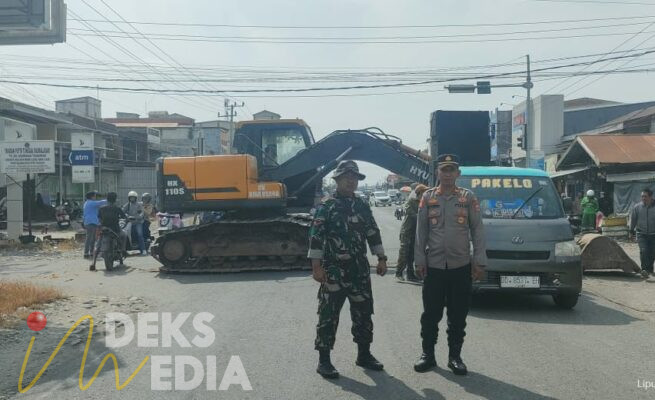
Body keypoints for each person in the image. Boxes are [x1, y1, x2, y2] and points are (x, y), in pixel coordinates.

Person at [308, 160, 388, 379]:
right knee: (328, 315)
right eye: (346, 177)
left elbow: (372, 232)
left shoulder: (361, 205)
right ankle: (324, 361)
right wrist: (316, 267)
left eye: (354, 178)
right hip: (333, 270)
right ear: (338, 180)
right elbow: (316, 237)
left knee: (364, 313)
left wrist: (381, 258)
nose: (350, 181)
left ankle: (364, 354)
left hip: (359, 270)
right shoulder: (327, 206)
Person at [413, 154, 486, 376]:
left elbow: (477, 230)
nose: (447, 174)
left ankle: (455, 357)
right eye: (443, 170)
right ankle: (428, 355)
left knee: (458, 315)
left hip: (460, 266)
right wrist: (419, 260)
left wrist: (479, 261)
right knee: (430, 314)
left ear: (458, 173)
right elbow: (421, 231)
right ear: (437, 172)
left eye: (451, 170)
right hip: (434, 266)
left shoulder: (468, 197)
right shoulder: (428, 197)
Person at [396, 183, 428, 281]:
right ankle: (399, 273)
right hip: (407, 231)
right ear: (419, 193)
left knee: (412, 254)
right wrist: (422, 217)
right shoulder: (411, 201)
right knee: (404, 253)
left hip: (417, 232)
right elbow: (409, 212)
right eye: (424, 192)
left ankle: (410, 274)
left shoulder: (425, 202)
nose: (426, 193)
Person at [91, 192, 127, 271]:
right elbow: (124, 217)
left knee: (98, 245)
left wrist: (101, 225)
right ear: (115, 199)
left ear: (107, 199)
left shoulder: (101, 208)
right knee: (124, 235)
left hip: (104, 229)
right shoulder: (117, 208)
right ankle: (123, 250)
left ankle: (93, 263)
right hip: (115, 229)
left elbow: (99, 219)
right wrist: (126, 219)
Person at [630, 188, 655, 279]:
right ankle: (644, 270)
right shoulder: (637, 207)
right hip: (641, 234)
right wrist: (631, 231)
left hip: (653, 234)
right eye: (642, 196)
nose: (643, 198)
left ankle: (650, 269)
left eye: (645, 196)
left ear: (651, 197)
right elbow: (633, 220)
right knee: (644, 251)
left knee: (652, 253)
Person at [82, 191, 107, 259]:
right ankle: (87, 253)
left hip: (88, 222)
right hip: (92, 222)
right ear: (92, 197)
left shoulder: (86, 203)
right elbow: (101, 202)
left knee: (91, 238)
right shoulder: (91, 203)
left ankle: (90, 253)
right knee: (90, 238)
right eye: (94, 196)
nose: (95, 197)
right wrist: (109, 199)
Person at [122, 190, 146, 255]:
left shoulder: (139, 205)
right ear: (129, 198)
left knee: (140, 234)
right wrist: (126, 216)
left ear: (136, 198)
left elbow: (142, 213)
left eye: (133, 197)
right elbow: (122, 211)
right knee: (125, 234)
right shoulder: (127, 205)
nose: (132, 199)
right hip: (130, 222)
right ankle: (124, 250)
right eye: (130, 197)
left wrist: (137, 217)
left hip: (138, 222)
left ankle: (143, 249)